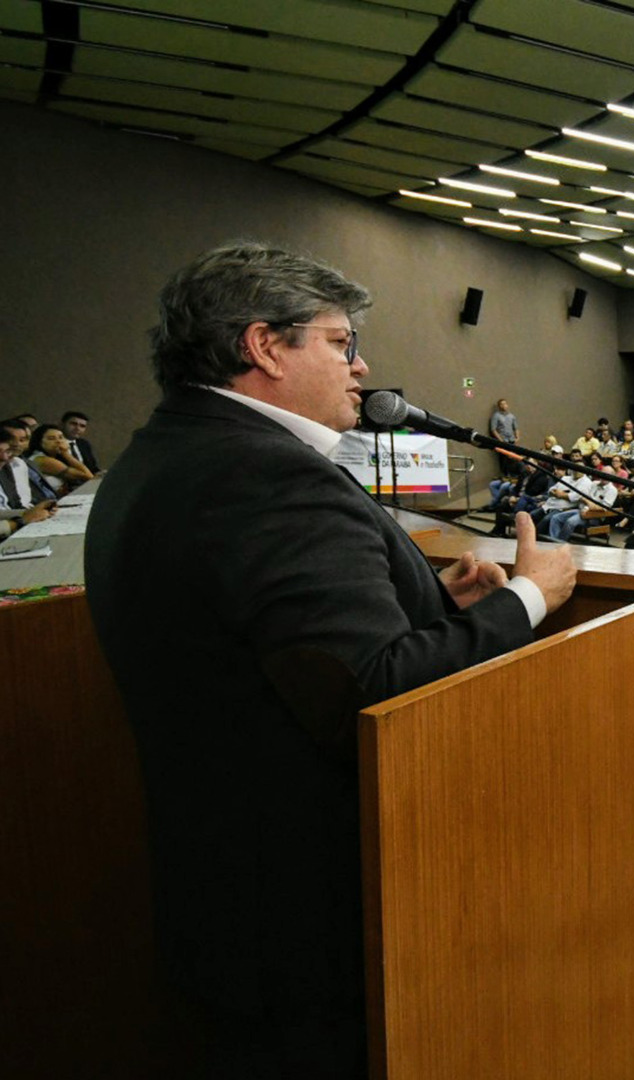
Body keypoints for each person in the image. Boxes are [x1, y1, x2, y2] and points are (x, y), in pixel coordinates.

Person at [83, 243, 578, 1077]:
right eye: (341, 341)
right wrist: (528, 596)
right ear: (265, 346)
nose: (363, 364)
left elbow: (291, 641)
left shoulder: (169, 454)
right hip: (306, 912)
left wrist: (429, 607)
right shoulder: (267, 475)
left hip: (227, 885)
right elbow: (370, 689)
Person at [26, 422, 95, 494]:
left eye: (61, 437)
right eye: (51, 438)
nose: (58, 441)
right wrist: (65, 452)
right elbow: (87, 475)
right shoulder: (41, 459)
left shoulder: (54, 457)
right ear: (39, 442)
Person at [489, 397, 520, 477]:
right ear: (499, 406)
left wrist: (517, 438)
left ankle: (514, 475)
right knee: (504, 460)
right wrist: (500, 440)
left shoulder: (511, 416)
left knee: (513, 458)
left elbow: (516, 428)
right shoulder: (496, 416)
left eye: (505, 404)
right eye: (502, 404)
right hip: (503, 441)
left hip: (512, 440)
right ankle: (505, 475)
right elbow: (493, 429)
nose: (504, 405)